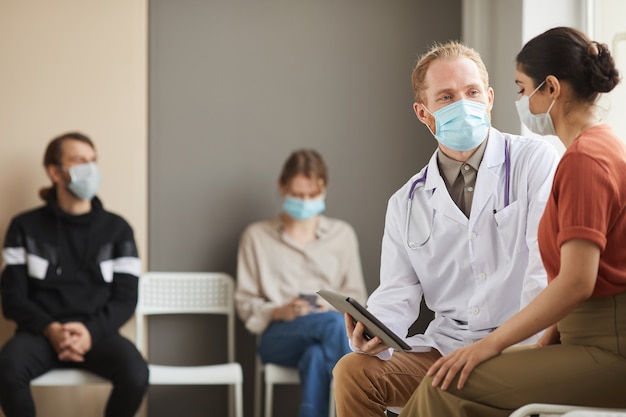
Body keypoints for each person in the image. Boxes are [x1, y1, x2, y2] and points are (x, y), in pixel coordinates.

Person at [400, 26, 626, 417]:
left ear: (550, 88)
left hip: (607, 348)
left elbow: (576, 282)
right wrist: (538, 348)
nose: (519, 101)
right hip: (583, 338)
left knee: (447, 386)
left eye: (522, 89)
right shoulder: (601, 146)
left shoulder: (584, 160)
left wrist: (490, 345)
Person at [332, 41, 560, 416]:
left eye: (472, 93)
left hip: (521, 346)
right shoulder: (406, 202)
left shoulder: (534, 161)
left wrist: (524, 348)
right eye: (447, 97)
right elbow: (396, 296)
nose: (464, 105)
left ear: (488, 98)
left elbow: (545, 270)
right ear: (424, 113)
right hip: (447, 349)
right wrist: (374, 331)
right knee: (353, 372)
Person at [0, 132, 149, 417]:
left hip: (98, 333)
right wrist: (52, 330)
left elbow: (126, 298)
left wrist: (90, 333)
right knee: (8, 369)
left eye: (93, 161)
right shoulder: (23, 227)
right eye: (80, 161)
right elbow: (12, 298)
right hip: (40, 334)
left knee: (136, 373)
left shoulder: (119, 230)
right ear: (54, 172)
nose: (91, 169)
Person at [235, 149, 367, 417]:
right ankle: (365, 406)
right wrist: (279, 311)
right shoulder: (256, 237)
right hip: (279, 335)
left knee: (317, 356)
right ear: (281, 188)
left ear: (324, 190)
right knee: (331, 326)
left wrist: (328, 305)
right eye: (297, 195)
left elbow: (357, 298)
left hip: (328, 331)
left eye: (312, 195)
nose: (305, 202)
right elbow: (244, 302)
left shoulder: (342, 236)